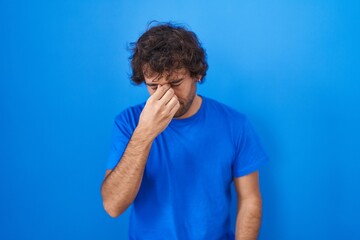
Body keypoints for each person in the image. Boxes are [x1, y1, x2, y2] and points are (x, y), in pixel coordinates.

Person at [100, 22, 269, 240]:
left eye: (176, 82)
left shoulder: (235, 124)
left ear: (196, 74)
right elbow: (113, 206)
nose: (165, 96)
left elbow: (250, 199)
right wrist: (144, 134)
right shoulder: (129, 123)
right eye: (154, 86)